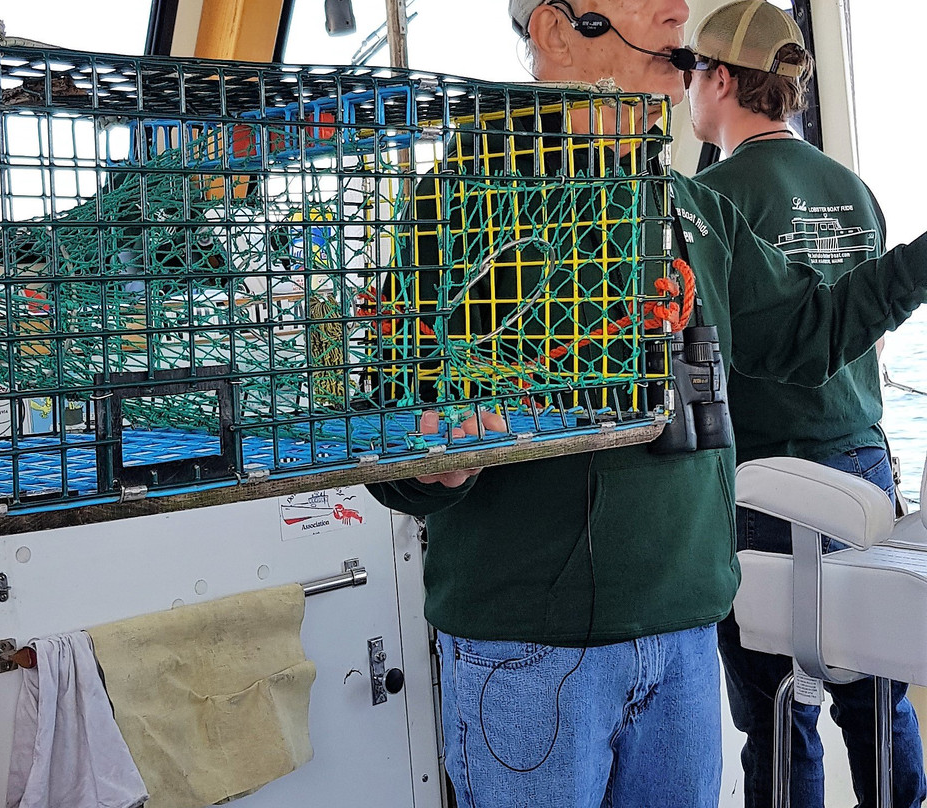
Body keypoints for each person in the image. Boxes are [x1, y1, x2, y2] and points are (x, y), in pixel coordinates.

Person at [366, 1, 927, 805]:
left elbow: (813, 328)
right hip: (530, 652)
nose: (676, 10)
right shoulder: (464, 199)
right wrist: (436, 469)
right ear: (557, 29)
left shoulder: (691, 207)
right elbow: (392, 439)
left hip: (686, 636)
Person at [685, 3, 926, 806]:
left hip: (761, 482)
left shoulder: (708, 201)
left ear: (718, 79)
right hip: (860, 469)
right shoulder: (853, 188)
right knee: (878, 700)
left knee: (774, 721)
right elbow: (870, 336)